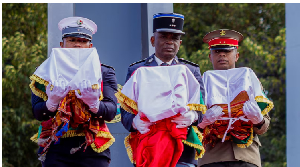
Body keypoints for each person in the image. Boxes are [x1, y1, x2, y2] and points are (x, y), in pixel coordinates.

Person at [30, 17, 118, 167]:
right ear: (61, 45)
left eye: (83, 41)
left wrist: (94, 104)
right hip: (56, 146)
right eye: (72, 40)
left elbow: (111, 112)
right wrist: (51, 103)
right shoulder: (45, 72)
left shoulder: (104, 72)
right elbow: (38, 113)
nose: (77, 44)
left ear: (90, 46)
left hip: (92, 147)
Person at [120, 13, 205, 167]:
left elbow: (203, 107)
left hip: (183, 149)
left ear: (180, 42)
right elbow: (125, 110)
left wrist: (193, 116)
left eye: (174, 38)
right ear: (153, 40)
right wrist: (134, 122)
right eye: (164, 37)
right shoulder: (138, 69)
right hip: (148, 146)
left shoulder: (191, 70)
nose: (169, 42)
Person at [198, 29, 273, 167]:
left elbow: (264, 126)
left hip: (246, 156)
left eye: (227, 51)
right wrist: (202, 122)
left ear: (236, 56)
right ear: (210, 57)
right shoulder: (201, 83)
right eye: (217, 51)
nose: (222, 54)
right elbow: (188, 126)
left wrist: (258, 120)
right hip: (212, 157)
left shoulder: (249, 80)